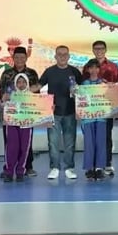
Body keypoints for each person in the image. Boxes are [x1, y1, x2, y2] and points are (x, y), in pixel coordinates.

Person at [39, 45, 83, 180]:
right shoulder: (49, 71)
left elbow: (84, 89)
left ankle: (69, 168)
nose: (62, 57)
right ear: (55, 56)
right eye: (60, 54)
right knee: (53, 143)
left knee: (70, 143)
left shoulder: (75, 71)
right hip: (53, 113)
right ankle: (55, 168)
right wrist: (22, 93)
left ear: (69, 56)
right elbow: (38, 86)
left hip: (70, 112)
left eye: (65, 54)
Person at [0, 46, 40, 181]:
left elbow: (37, 94)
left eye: (22, 57)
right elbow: (1, 91)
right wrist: (5, 99)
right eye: (17, 57)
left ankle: (27, 167)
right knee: (10, 143)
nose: (19, 59)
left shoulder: (32, 73)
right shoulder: (6, 74)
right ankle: (8, 168)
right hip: (10, 116)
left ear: (26, 58)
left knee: (26, 143)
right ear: (13, 58)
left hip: (27, 114)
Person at [91, 40, 118, 175]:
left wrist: (108, 84)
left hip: (108, 106)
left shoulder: (113, 67)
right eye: (96, 49)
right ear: (93, 50)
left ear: (105, 50)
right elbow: (83, 85)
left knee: (107, 135)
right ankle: (95, 163)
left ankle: (107, 163)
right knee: (93, 136)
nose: (99, 51)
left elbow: (117, 85)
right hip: (92, 107)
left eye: (101, 48)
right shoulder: (88, 66)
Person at [3, 73, 34, 182]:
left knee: (24, 148)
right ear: (15, 84)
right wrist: (4, 100)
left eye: (23, 82)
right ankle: (9, 172)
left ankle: (20, 171)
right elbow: (3, 106)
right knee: (12, 148)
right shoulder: (10, 94)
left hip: (26, 125)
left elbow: (39, 108)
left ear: (27, 83)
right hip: (12, 125)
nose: (21, 84)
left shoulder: (31, 96)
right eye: (19, 82)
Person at [80, 59, 108, 181]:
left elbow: (110, 97)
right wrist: (73, 91)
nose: (94, 70)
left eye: (96, 67)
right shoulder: (83, 84)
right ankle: (89, 168)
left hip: (101, 117)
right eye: (91, 67)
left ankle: (99, 168)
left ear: (99, 69)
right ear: (88, 69)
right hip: (87, 118)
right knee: (89, 143)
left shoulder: (104, 83)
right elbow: (78, 99)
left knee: (100, 142)